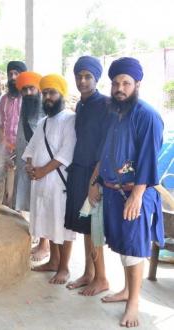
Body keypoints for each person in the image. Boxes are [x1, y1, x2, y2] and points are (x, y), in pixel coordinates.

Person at [95, 57, 164, 328]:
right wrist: (96, 182)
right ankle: (125, 290)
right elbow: (104, 151)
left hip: (135, 193)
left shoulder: (147, 115)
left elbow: (149, 159)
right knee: (123, 247)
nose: (120, 88)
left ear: (137, 85)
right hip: (112, 190)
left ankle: (134, 302)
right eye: (115, 83)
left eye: (126, 83)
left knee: (135, 249)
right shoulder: (113, 112)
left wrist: (136, 196)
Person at [22, 74, 77, 284]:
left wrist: (43, 170)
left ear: (61, 94)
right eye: (44, 93)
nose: (48, 97)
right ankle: (53, 261)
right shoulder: (44, 122)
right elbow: (32, 147)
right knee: (48, 221)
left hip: (58, 181)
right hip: (41, 181)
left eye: (52, 92)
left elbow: (66, 152)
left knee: (63, 226)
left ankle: (64, 268)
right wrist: (29, 164)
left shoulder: (70, 119)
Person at [64, 56, 110, 296]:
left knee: (95, 226)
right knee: (85, 226)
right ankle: (89, 273)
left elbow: (106, 146)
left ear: (96, 79)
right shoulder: (81, 105)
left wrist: (95, 181)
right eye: (79, 76)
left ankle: (102, 278)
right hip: (79, 171)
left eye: (87, 77)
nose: (82, 81)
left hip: (96, 173)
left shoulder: (105, 104)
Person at [11, 72, 48, 260]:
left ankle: (44, 245)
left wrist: (36, 163)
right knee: (33, 203)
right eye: (24, 89)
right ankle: (37, 239)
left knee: (42, 205)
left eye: (31, 88)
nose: (27, 92)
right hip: (27, 163)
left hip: (42, 167)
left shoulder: (46, 111)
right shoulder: (25, 107)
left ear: (39, 89)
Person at [0, 61, 27, 206]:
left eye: (17, 73)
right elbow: (1, 127)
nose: (13, 77)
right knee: (7, 193)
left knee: (21, 194)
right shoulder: (4, 100)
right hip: (7, 154)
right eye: (10, 74)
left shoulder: (29, 99)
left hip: (24, 154)